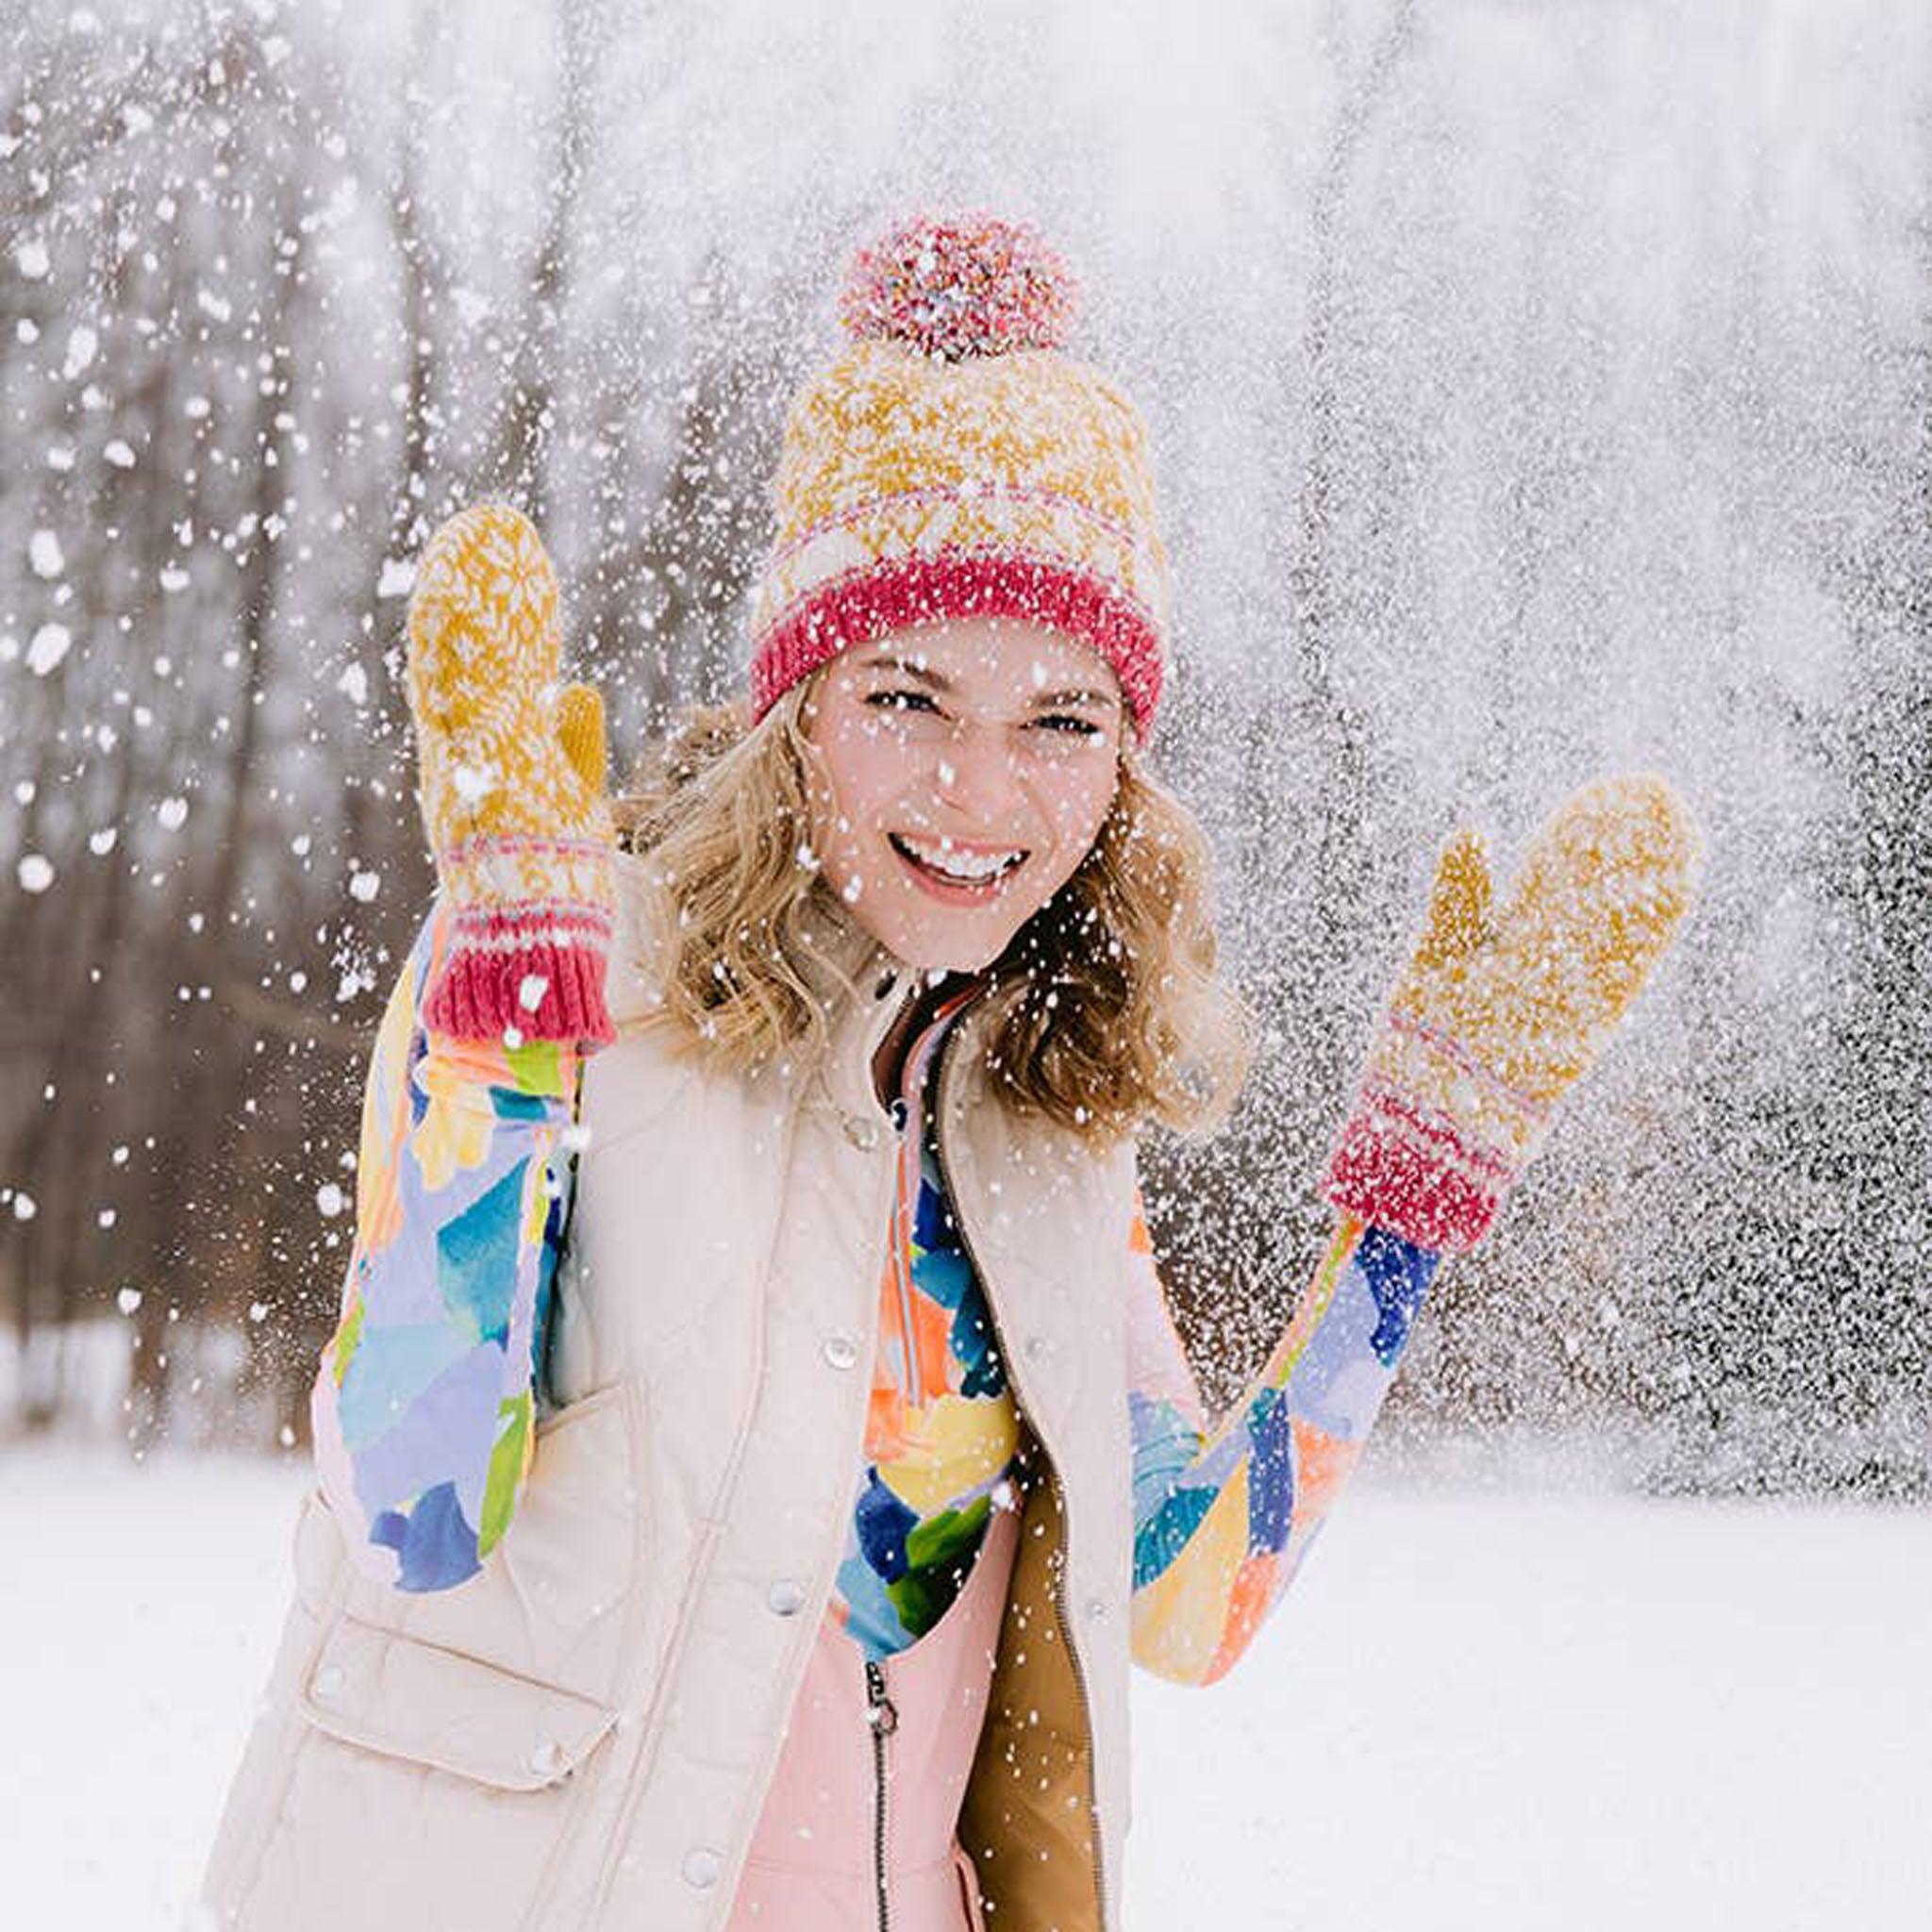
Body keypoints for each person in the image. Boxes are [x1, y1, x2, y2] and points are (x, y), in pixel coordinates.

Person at [199, 214, 1696, 1932]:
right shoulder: (566, 963)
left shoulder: (1044, 1130)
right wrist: (505, 1034)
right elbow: (413, 1511)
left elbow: (1188, 1592)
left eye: (1063, 721)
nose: (984, 793)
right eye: (910, 700)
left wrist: (1411, 1212)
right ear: (798, 710)